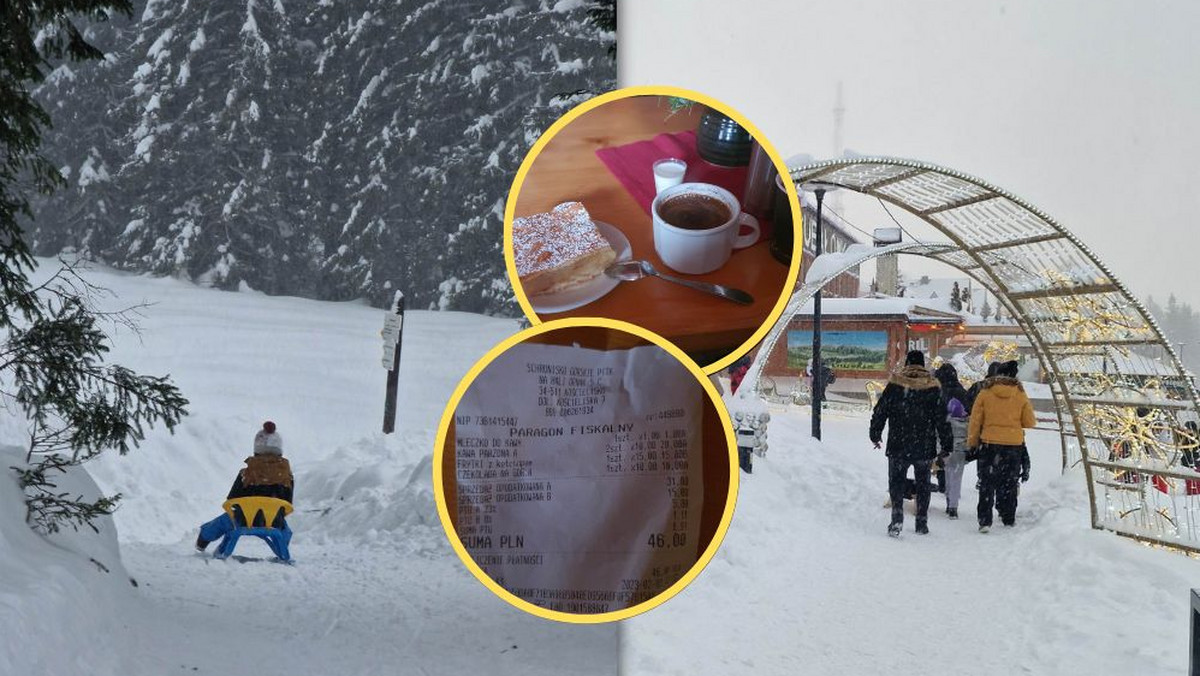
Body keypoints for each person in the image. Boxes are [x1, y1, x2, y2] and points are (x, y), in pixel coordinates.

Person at [870, 350, 952, 537]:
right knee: (923, 484)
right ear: (923, 365)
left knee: (896, 482)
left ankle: (897, 518)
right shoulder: (933, 387)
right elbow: (942, 419)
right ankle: (921, 522)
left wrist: (875, 433)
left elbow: (880, 411)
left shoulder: (895, 385)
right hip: (924, 445)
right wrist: (947, 444)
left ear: (907, 364)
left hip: (898, 444)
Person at [196, 421, 295, 551]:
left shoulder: (246, 473)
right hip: (275, 520)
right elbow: (287, 502)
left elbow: (232, 498)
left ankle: (202, 542)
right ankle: (282, 549)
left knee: (220, 523)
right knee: (286, 532)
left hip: (242, 519)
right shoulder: (287, 476)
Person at [968, 361, 1034, 532]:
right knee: (1010, 482)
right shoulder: (1020, 394)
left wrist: (973, 443)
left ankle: (984, 520)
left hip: (990, 444)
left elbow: (975, 421)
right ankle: (1008, 517)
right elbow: (1029, 421)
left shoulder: (985, 392)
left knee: (987, 483)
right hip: (1014, 445)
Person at [940, 398, 970, 519]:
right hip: (960, 453)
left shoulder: (945, 423)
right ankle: (953, 507)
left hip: (947, 453)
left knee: (948, 476)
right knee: (957, 480)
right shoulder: (966, 424)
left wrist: (939, 452)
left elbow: (939, 438)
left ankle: (948, 500)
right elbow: (970, 439)